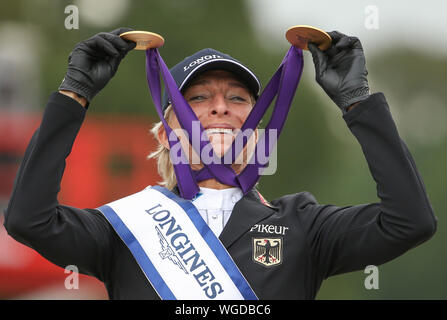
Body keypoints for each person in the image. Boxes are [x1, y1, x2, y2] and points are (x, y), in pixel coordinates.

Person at [3, 27, 437, 300]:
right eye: (196, 98)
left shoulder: (304, 225)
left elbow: (409, 221)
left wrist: (358, 102)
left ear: (261, 131)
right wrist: (73, 95)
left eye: (237, 99)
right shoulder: (124, 227)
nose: (219, 108)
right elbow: (28, 220)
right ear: (163, 135)